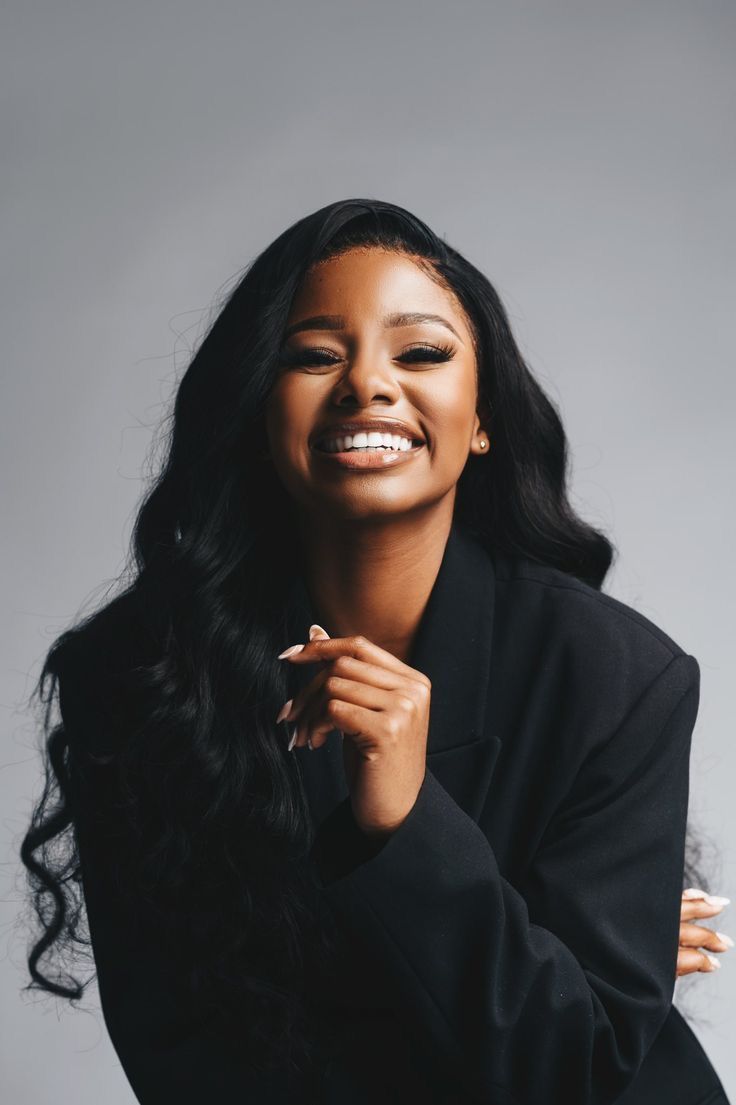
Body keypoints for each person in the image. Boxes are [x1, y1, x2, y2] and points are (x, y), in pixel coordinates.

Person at [21, 198, 731, 1104]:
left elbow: (576, 1074)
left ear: (483, 420)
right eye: (316, 355)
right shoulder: (136, 678)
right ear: (255, 411)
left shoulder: (618, 677)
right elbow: (189, 1066)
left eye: (422, 352)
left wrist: (404, 821)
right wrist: (533, 948)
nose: (368, 384)